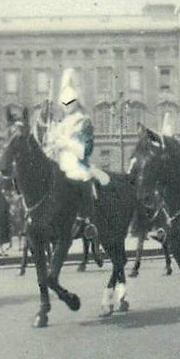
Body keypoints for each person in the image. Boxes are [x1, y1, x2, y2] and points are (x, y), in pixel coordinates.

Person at [45, 69, 108, 241]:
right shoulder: (60, 123)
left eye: (69, 103)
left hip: (76, 164)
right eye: (64, 103)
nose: (66, 106)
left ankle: (88, 222)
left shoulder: (83, 121)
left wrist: (64, 142)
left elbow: (84, 149)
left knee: (83, 179)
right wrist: (50, 141)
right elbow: (50, 145)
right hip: (58, 163)